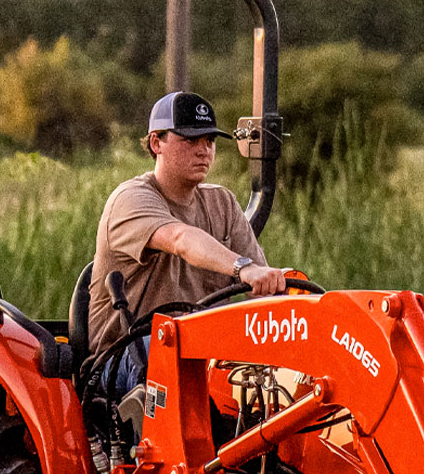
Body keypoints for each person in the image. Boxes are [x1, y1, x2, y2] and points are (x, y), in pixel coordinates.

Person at [87, 92, 290, 390]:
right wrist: (243, 268)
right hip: (123, 357)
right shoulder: (131, 199)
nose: (204, 151)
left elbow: (260, 293)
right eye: (190, 140)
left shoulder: (221, 203)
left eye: (209, 141)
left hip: (200, 350)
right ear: (156, 143)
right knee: (173, 357)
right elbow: (181, 238)